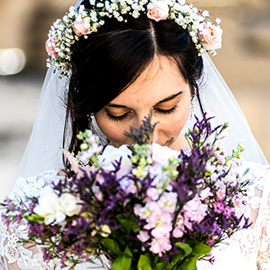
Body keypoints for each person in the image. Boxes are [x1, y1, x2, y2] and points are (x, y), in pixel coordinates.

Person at [0, 0, 269, 269]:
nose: (146, 136)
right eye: (118, 113)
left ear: (193, 88)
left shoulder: (256, 199)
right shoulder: (33, 213)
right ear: (89, 106)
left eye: (166, 108)